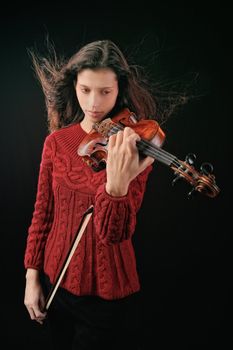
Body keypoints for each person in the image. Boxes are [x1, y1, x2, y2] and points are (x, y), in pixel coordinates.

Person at [23, 39, 185, 350]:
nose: (94, 103)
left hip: (106, 298)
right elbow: (42, 213)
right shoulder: (56, 143)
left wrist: (117, 185)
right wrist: (32, 278)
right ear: (75, 86)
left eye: (105, 92)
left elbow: (114, 234)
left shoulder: (133, 147)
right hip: (53, 282)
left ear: (119, 91)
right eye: (85, 90)